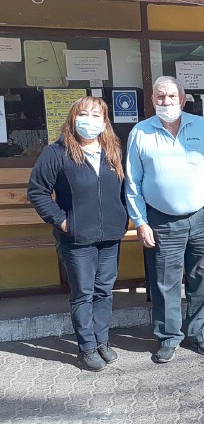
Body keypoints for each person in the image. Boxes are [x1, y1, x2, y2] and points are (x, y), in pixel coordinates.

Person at [125, 76, 204, 363]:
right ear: (153, 100)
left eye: (172, 96)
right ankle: (168, 337)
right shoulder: (140, 133)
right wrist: (140, 222)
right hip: (161, 220)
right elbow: (132, 182)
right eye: (161, 97)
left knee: (203, 276)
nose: (166, 102)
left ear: (182, 100)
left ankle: (200, 333)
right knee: (164, 281)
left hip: (201, 216)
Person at [28, 96, 127, 372]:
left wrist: (124, 219)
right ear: (73, 118)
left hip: (109, 236)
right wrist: (62, 222)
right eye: (84, 114)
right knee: (83, 293)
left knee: (104, 291)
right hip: (76, 238)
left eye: (96, 115)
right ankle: (87, 347)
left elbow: (124, 189)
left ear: (105, 121)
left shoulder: (113, 150)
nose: (90, 120)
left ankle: (102, 340)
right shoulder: (57, 152)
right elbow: (38, 191)